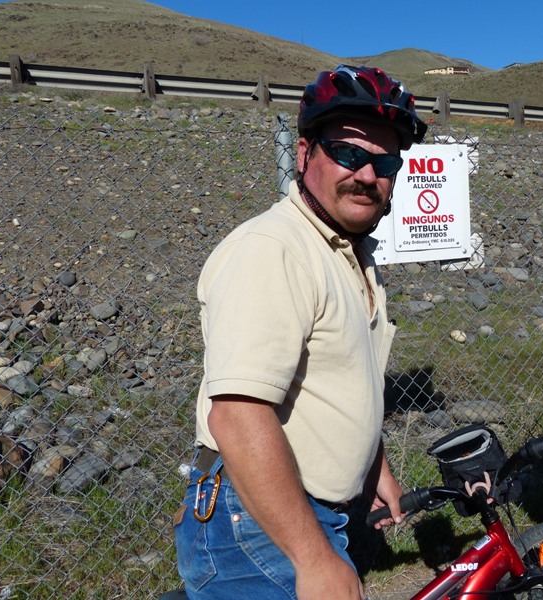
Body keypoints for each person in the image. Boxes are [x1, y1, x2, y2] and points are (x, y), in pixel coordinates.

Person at [174, 65, 428, 599]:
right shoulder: (275, 249)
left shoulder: (346, 251)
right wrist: (314, 559)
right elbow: (238, 415)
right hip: (259, 520)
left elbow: (332, 382)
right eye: (349, 154)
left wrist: (372, 465)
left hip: (296, 512)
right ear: (304, 154)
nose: (367, 174)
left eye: (384, 162)